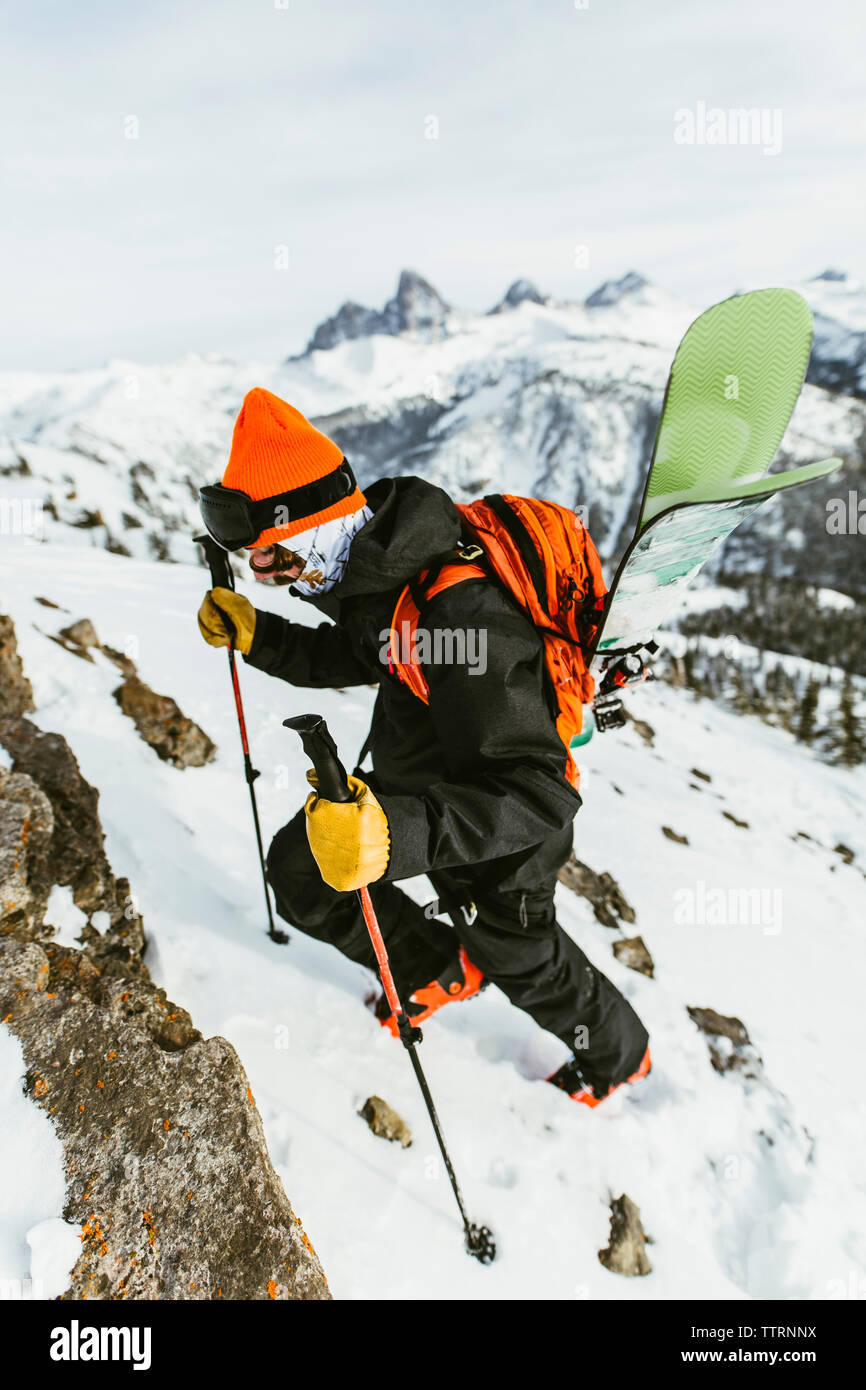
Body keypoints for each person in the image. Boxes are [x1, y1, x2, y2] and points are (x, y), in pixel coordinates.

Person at [198, 387, 650, 1107]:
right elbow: (366, 655)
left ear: (318, 529)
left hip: (504, 840)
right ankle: (431, 969)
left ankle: (621, 1058)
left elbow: (539, 790)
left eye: (276, 563)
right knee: (301, 870)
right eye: (255, 565)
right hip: (417, 790)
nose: (268, 579)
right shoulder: (372, 572)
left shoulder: (464, 616)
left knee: (527, 964)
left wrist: (394, 836)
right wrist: (262, 636)